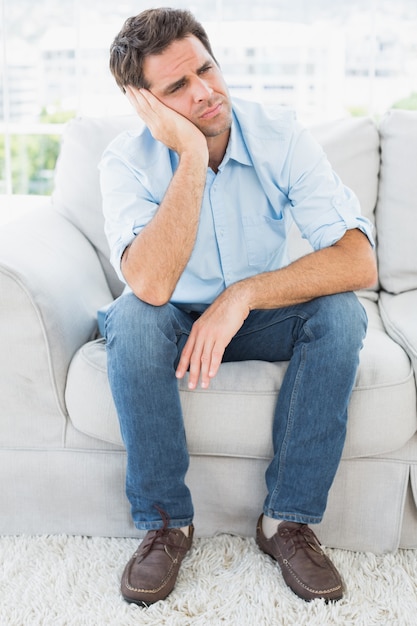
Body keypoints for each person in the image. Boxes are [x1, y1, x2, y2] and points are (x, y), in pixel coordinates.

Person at [100, 7, 377, 606]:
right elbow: (147, 285)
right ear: (144, 103)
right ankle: (166, 524)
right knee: (131, 320)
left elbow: (358, 260)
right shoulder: (125, 161)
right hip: (169, 317)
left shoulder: (279, 133)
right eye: (177, 87)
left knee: (341, 313)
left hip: (253, 317)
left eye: (206, 69)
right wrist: (192, 158)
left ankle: (288, 523)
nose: (204, 93)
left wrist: (242, 295)